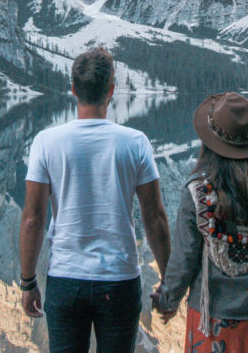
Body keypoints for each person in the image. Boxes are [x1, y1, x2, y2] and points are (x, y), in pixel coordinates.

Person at [18, 47, 172, 352]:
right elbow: (154, 217)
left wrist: (28, 282)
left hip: (65, 279)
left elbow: (33, 220)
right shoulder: (136, 143)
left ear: (73, 89)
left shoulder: (46, 142)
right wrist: (169, 280)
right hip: (120, 279)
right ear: (111, 90)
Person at [151, 92, 248, 353]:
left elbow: (184, 259)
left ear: (209, 143)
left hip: (210, 319)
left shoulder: (198, 194)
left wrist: (167, 300)